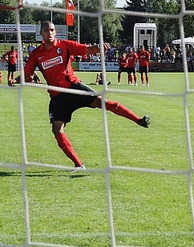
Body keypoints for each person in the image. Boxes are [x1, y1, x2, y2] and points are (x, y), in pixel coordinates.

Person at [22, 22, 150, 170]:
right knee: (57, 130)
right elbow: (27, 75)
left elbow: (86, 49)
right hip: (58, 97)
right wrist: (16, 80)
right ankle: (78, 164)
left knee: (104, 103)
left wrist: (98, 47)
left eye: (52, 30)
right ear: (41, 33)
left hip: (75, 89)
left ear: (55, 32)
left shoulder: (64, 45)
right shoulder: (36, 54)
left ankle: (138, 120)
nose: (49, 32)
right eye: (46, 30)